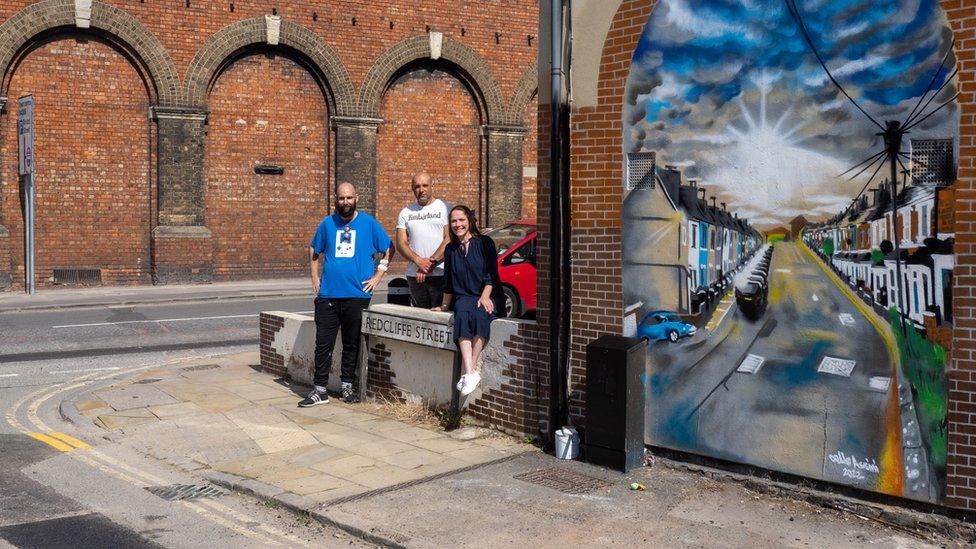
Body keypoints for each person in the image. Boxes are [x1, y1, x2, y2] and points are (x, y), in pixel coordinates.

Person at [300, 182, 393, 407]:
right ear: (336, 199)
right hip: (329, 294)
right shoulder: (327, 223)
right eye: (342, 198)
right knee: (323, 344)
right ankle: (319, 390)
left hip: (357, 294)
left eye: (349, 198)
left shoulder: (368, 223)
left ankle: (347, 386)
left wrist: (378, 276)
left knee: (351, 344)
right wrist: (314, 278)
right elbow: (314, 249)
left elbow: (388, 247)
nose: (345, 202)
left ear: (356, 198)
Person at [431, 205, 505, 396]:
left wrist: (485, 295)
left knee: (481, 313)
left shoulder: (484, 242)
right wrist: (445, 305)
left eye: (461, 220)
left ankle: (467, 371)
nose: (458, 225)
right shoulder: (450, 249)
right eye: (454, 221)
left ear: (469, 221)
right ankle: (471, 372)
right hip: (465, 295)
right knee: (462, 312)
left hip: (487, 293)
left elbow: (492, 273)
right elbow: (448, 281)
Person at [395, 172, 450, 308]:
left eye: (425, 185)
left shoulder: (445, 208)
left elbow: (449, 239)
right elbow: (401, 243)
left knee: (441, 319)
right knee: (419, 319)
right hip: (415, 275)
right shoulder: (406, 212)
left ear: (432, 185)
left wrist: (428, 265)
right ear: (413, 188)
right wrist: (419, 261)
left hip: (440, 273)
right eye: (417, 186)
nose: (421, 190)